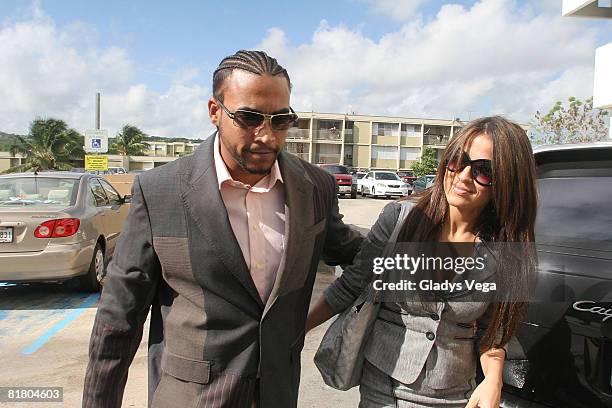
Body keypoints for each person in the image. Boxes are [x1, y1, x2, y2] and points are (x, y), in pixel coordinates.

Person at [82, 50, 363, 408]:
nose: (267, 136)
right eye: (248, 118)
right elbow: (119, 318)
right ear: (215, 111)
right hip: (191, 397)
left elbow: (359, 255)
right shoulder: (161, 192)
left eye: (280, 120)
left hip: (278, 393)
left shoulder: (315, 188)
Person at [306, 116, 538, 408]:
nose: (463, 175)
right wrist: (291, 332)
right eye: (457, 160)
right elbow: (349, 287)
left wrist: (492, 380)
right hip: (385, 391)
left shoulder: (504, 248)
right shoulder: (401, 220)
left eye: (484, 171)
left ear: (508, 182)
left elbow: (495, 331)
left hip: (457, 395)